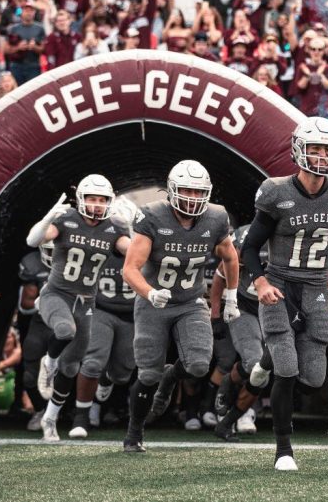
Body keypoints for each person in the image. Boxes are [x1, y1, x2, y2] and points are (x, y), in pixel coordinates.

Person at [240, 116, 328, 471]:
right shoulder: (277, 191)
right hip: (280, 281)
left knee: (314, 376)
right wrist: (260, 283)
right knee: (288, 370)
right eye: (316, 148)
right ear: (299, 149)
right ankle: (283, 449)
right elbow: (249, 248)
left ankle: (265, 360)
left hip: (316, 286)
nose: (322, 156)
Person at [119, 161, 237, 451]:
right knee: (147, 374)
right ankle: (134, 434)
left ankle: (172, 376)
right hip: (154, 304)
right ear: (171, 190)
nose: (192, 198)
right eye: (186, 190)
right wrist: (149, 292)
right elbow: (130, 269)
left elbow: (231, 258)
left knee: (198, 365)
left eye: (198, 192)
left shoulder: (216, 217)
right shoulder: (152, 216)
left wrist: (231, 296)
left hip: (190, 301)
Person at [26, 175, 132, 442]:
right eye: (92, 199)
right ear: (81, 199)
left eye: (102, 200)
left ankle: (50, 419)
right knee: (64, 330)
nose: (97, 205)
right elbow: (32, 241)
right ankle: (48, 362)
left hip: (86, 302)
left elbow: (136, 255)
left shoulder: (112, 229)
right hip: (57, 294)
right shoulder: (66, 220)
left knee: (72, 368)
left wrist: (131, 229)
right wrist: (47, 219)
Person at [67, 202, 139, 438]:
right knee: (93, 362)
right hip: (101, 310)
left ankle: (106, 381)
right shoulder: (94, 246)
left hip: (132, 315)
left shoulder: (143, 250)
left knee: (122, 373)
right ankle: (81, 417)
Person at [209, 225, 269, 442]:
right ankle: (230, 389)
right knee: (255, 365)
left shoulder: (298, 236)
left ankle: (227, 421)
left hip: (278, 311)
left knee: (268, 374)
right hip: (246, 308)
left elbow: (322, 279)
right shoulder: (247, 238)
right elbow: (220, 274)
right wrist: (215, 313)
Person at [17, 246, 53, 431]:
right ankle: (40, 410)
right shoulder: (33, 264)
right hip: (41, 322)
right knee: (30, 376)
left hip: (74, 323)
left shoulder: (81, 260)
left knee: (73, 369)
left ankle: (79, 412)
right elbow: (25, 304)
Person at [293, 38, 328, 119]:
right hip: (306, 111)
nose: (316, 52)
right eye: (313, 49)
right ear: (309, 51)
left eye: (319, 49)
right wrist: (309, 75)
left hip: (323, 111)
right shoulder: (302, 67)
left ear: (323, 51)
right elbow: (299, 87)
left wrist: (320, 75)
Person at [5, 3, 46, 85]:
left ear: (34, 13)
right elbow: (6, 50)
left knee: (33, 92)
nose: (29, 13)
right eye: (26, 10)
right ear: (21, 12)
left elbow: (44, 50)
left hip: (33, 65)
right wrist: (18, 47)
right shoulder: (13, 28)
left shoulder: (40, 28)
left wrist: (34, 47)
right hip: (17, 66)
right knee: (17, 92)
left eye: (31, 10)